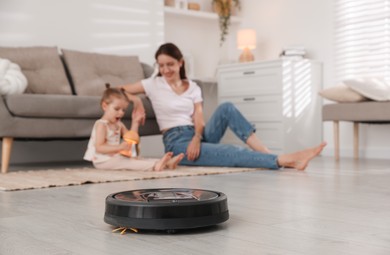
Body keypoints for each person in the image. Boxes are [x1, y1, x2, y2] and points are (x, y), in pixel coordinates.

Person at [120, 43, 326, 171]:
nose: (165, 69)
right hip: (176, 143)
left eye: (170, 64)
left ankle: (265, 153)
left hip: (195, 135)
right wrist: (137, 100)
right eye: (161, 65)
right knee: (228, 151)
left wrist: (196, 138)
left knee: (226, 107)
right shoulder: (152, 84)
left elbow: (199, 118)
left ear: (180, 62)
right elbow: (120, 90)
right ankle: (284, 159)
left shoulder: (192, 86)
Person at [84, 85, 184, 171]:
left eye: (123, 110)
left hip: (115, 157)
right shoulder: (102, 124)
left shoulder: (119, 124)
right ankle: (154, 166)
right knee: (127, 163)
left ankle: (167, 163)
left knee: (137, 159)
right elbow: (99, 147)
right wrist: (119, 148)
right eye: (117, 109)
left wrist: (135, 122)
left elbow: (132, 139)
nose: (121, 113)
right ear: (105, 106)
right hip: (102, 160)